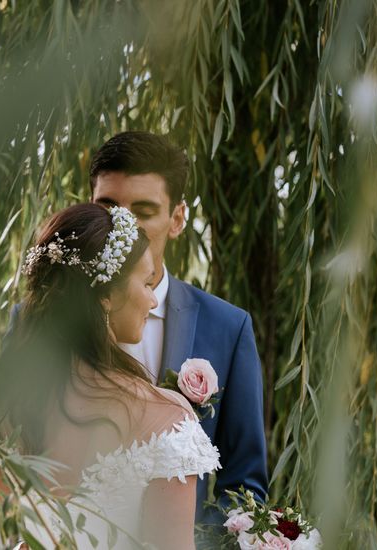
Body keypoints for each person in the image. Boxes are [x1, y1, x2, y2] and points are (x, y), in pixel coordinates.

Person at [0, 203, 220, 549]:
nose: (151, 301)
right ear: (103, 296)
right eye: (147, 283)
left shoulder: (1, 409)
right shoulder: (168, 421)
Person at [88, 132, 268, 525]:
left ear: (177, 219)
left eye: (143, 210)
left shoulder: (228, 327)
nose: (123, 226)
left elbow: (243, 487)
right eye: (109, 207)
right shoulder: (35, 323)